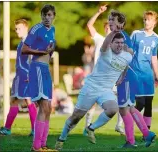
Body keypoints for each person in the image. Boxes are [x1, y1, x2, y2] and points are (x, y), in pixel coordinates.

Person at [55, 12, 133, 151]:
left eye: (122, 43)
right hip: (91, 87)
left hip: (105, 90)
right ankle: (62, 138)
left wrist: (122, 77)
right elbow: (105, 43)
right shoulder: (105, 51)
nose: (120, 45)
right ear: (111, 43)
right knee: (76, 117)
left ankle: (91, 128)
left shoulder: (127, 56)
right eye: (117, 43)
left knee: (113, 108)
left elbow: (126, 65)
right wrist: (113, 31)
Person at [117, 10, 158, 148]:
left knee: (148, 104)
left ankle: (145, 135)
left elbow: (154, 57)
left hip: (148, 75)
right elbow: (128, 50)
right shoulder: (136, 34)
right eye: (144, 19)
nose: (146, 22)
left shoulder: (156, 38)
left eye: (148, 20)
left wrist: (156, 74)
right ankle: (136, 131)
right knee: (139, 103)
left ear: (154, 22)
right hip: (135, 73)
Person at [83, 4, 124, 136]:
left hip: (112, 77)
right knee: (93, 102)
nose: (109, 29)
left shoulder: (118, 42)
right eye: (107, 27)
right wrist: (98, 12)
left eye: (111, 27)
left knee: (122, 100)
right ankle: (87, 126)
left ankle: (119, 125)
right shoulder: (99, 39)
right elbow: (89, 25)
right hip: (99, 77)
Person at [21, 4, 58, 152]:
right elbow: (24, 49)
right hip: (36, 69)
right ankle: (36, 146)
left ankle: (43, 145)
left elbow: (50, 49)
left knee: (48, 108)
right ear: (41, 16)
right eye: (44, 15)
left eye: (49, 15)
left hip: (46, 70)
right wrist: (41, 51)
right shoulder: (36, 29)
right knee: (43, 107)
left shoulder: (53, 30)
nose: (47, 18)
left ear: (54, 16)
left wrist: (50, 51)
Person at [0, 19, 37, 137]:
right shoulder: (21, 43)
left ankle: (35, 129)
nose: (17, 31)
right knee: (15, 101)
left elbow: (34, 59)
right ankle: (7, 128)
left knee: (28, 101)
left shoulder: (29, 42)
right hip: (19, 76)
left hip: (26, 76)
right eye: (16, 29)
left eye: (19, 28)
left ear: (26, 28)